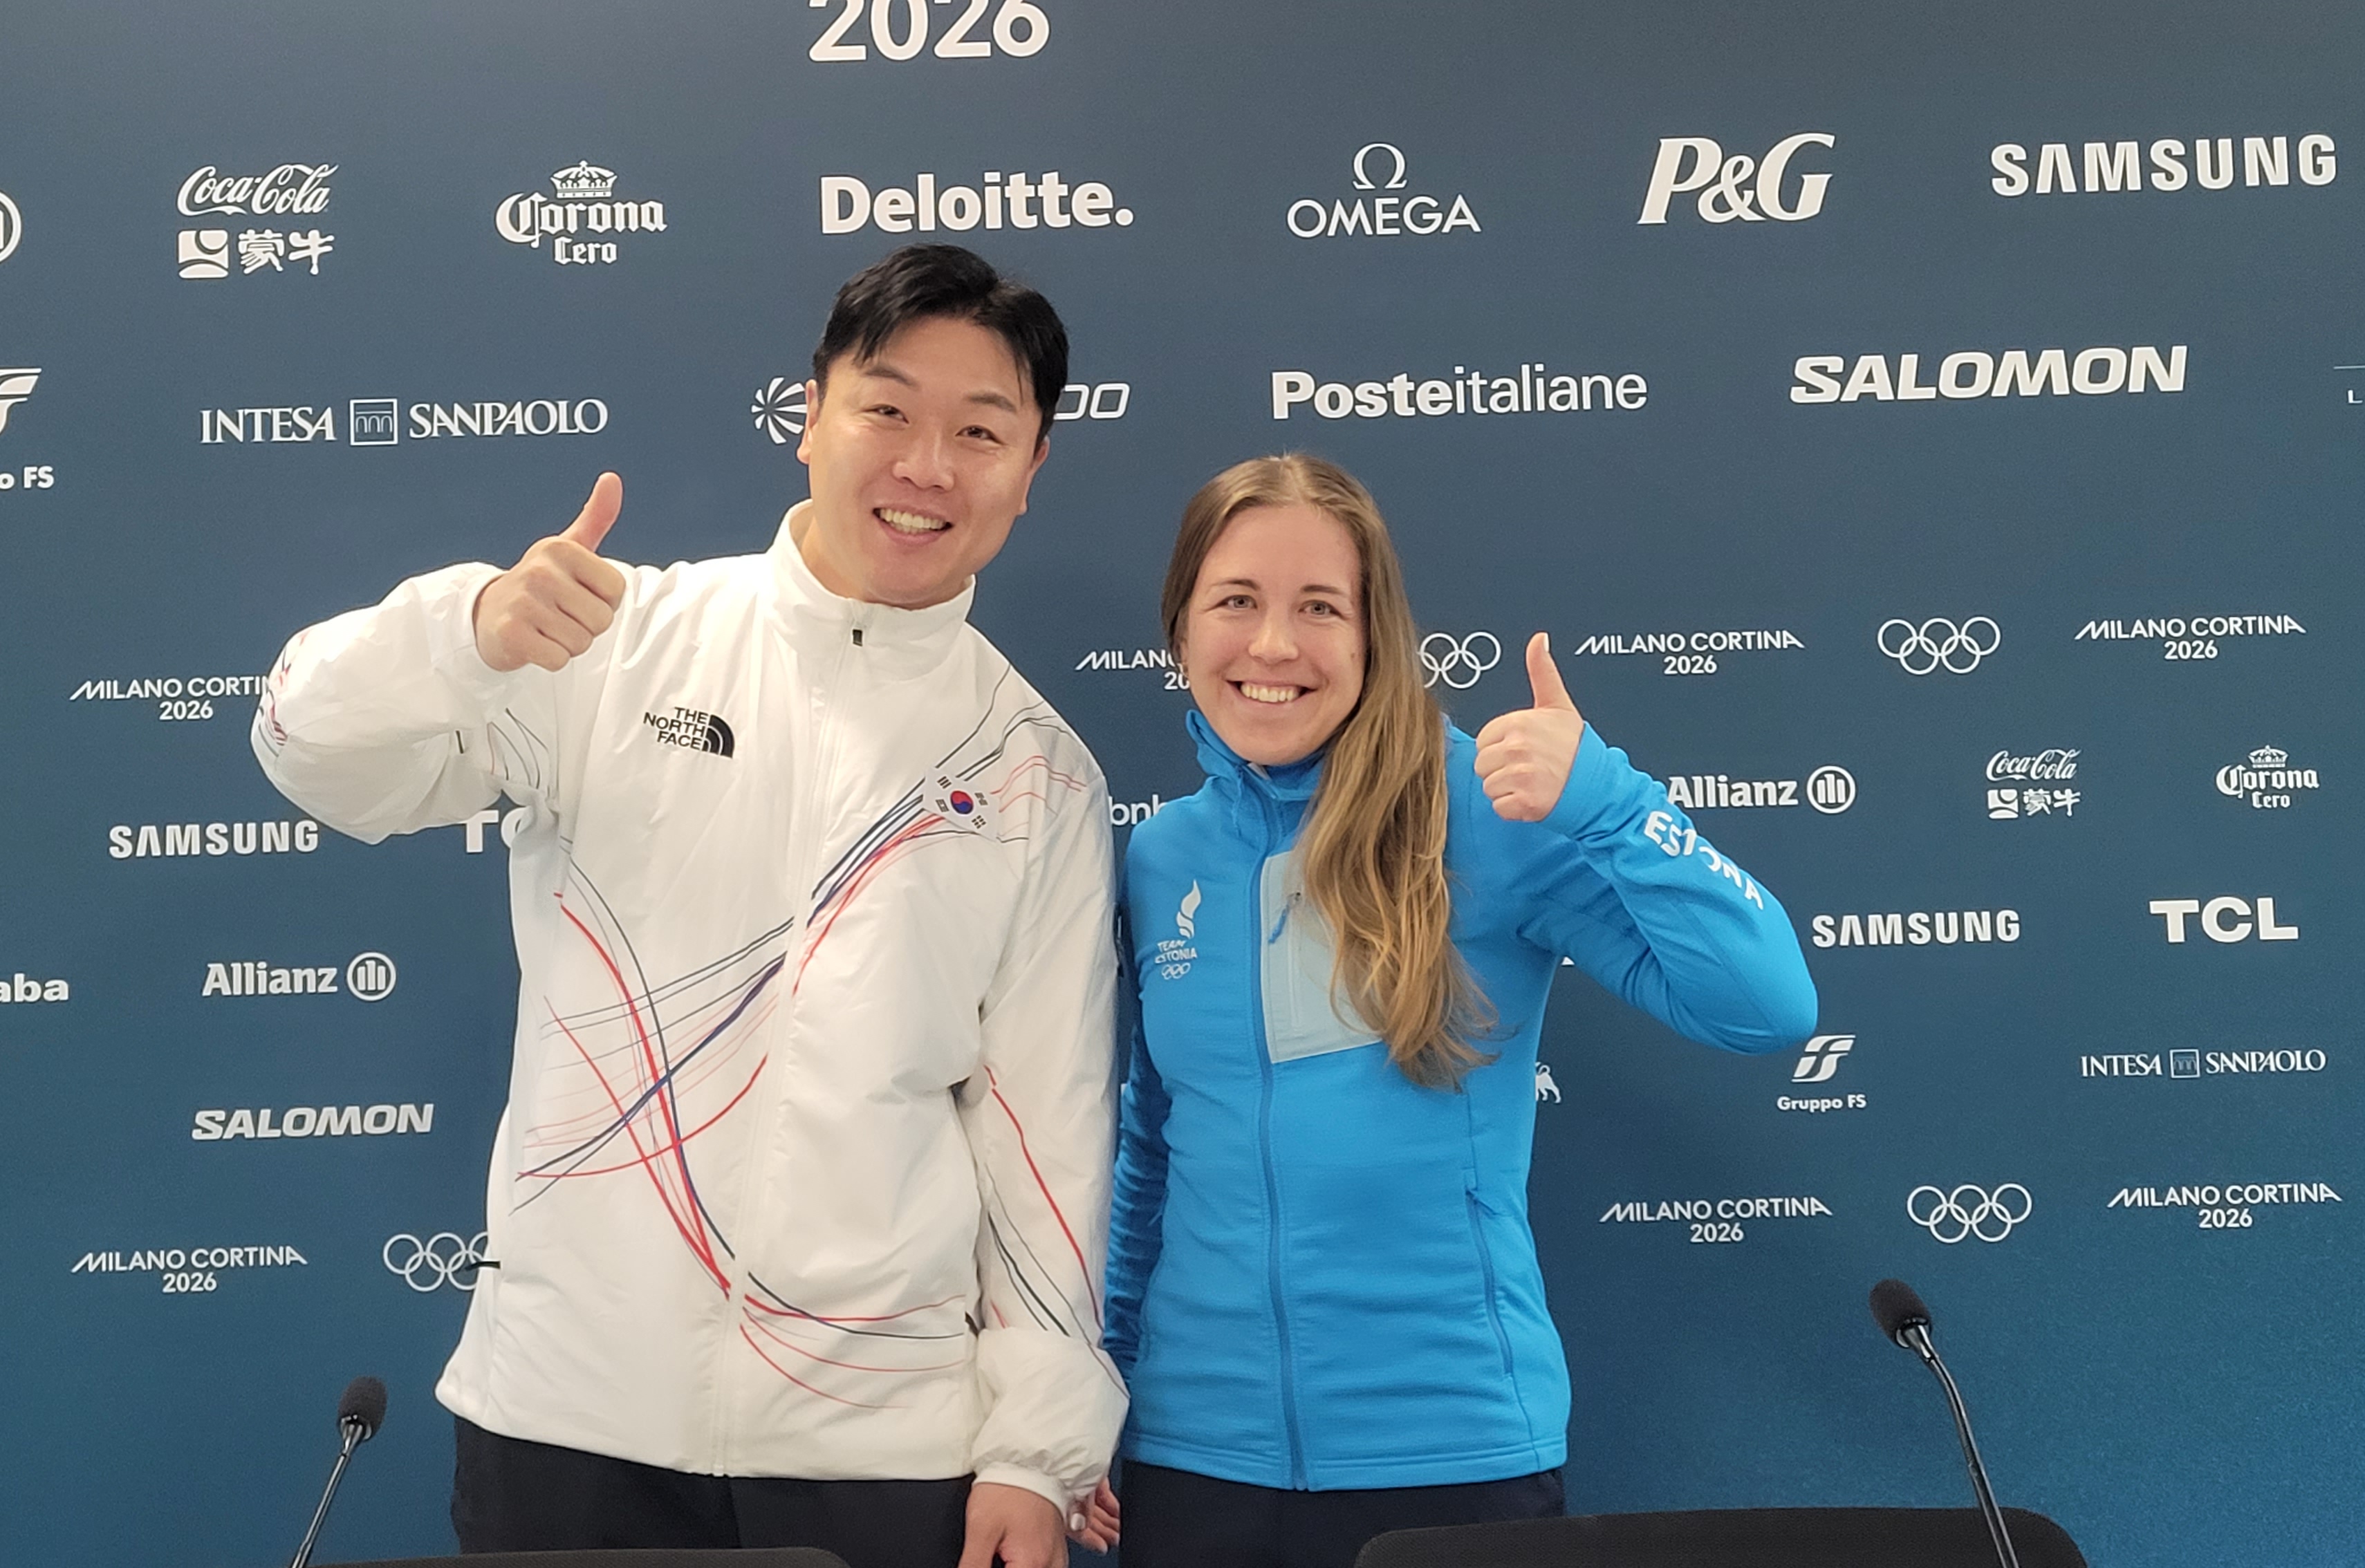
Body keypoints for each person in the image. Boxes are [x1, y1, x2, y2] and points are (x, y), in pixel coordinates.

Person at [253, 245, 1125, 1568]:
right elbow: (310, 752)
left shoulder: (1037, 770)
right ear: (810, 418)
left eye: (979, 430)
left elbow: (1046, 1136)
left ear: (1033, 465)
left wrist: (1032, 1449)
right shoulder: (610, 642)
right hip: (568, 1420)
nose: (926, 465)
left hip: (884, 1452)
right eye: (886, 409)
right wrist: (466, 633)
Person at [1093, 454, 1819, 1568]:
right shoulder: (1162, 854)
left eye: (1320, 608)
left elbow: (1766, 1004)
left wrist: (1614, 805)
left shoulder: (1488, 808)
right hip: (1195, 1467)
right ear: (1181, 631)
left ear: (1375, 636)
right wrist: (1105, 1388)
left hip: (1449, 1465)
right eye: (1236, 601)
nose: (1275, 646)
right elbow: (1153, 1149)